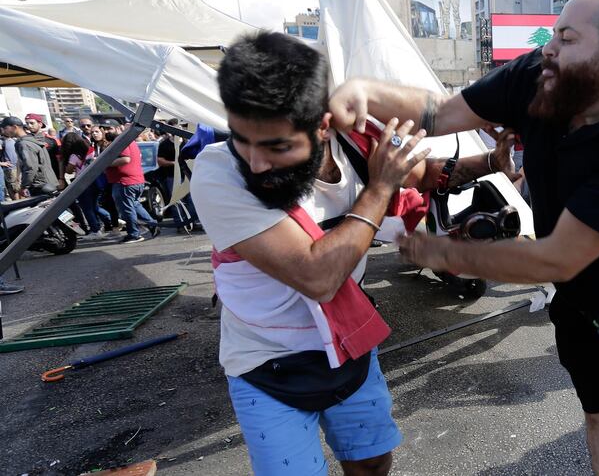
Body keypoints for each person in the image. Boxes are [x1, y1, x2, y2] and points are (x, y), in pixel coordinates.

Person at [329, 0, 599, 476]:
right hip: (578, 299)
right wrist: (364, 91)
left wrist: (443, 252)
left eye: (568, 38)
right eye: (553, 34)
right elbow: (441, 112)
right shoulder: (541, 75)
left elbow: (555, 257)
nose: (549, 48)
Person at [191, 31, 518, 476]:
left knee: (372, 463)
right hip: (266, 365)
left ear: (324, 125)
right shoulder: (217, 172)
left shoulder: (356, 143)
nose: (257, 163)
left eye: (278, 146)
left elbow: (422, 173)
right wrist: (381, 186)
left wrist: (490, 164)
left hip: (349, 350)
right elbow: (317, 276)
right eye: (243, 139)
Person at [101, 119, 160, 243]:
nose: (106, 131)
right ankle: (153, 225)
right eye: (105, 129)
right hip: (134, 180)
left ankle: (134, 234)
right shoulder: (125, 140)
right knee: (135, 205)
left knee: (127, 208)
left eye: (110, 128)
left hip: (125, 182)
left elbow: (125, 159)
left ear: (119, 128)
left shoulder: (121, 141)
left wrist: (104, 163)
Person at [60, 133, 112, 239]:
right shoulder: (91, 151)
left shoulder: (74, 156)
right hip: (95, 181)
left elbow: (69, 170)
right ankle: (110, 220)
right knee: (95, 206)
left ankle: (95, 230)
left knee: (87, 208)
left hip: (82, 183)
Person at [0, 116, 58, 196]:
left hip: (40, 186)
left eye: (5, 128)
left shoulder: (24, 144)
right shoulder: (32, 139)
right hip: (48, 182)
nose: (3, 132)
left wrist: (24, 186)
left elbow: (30, 167)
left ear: (14, 127)